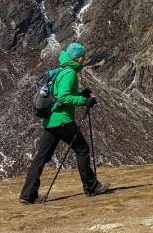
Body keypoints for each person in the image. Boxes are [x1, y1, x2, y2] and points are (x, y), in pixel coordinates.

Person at [20, 43, 109, 204]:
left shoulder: (59, 72)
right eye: (83, 57)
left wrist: (81, 94)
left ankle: (28, 195)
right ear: (79, 58)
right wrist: (84, 100)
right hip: (63, 120)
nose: (84, 60)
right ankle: (91, 187)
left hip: (51, 120)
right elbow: (63, 97)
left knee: (41, 158)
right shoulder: (69, 73)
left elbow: (58, 95)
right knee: (82, 149)